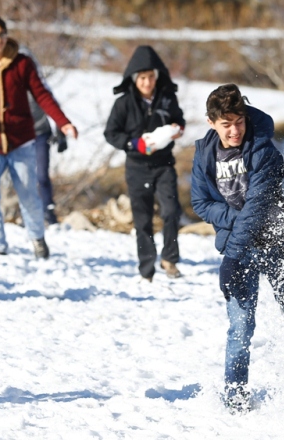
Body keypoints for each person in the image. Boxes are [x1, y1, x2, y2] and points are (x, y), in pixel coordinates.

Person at [191, 84, 284, 414]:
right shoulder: (203, 153)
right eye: (226, 124)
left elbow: (258, 207)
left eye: (239, 122)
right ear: (211, 122)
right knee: (241, 327)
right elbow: (199, 202)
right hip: (240, 248)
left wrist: (230, 254)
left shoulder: (261, 148)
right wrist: (232, 218)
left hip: (275, 241)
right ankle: (235, 395)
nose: (234, 131)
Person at [0, 15, 77, 258]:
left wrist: (63, 122)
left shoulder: (22, 63)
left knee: (29, 193)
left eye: (1, 34)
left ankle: (37, 238)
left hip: (21, 141)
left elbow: (42, 95)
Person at [104, 45, 185, 281]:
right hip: (137, 167)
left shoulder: (167, 98)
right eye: (142, 78)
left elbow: (179, 121)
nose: (147, 83)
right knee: (143, 218)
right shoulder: (123, 103)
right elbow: (111, 133)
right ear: (134, 78)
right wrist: (133, 144)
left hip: (164, 164)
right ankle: (147, 267)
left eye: (150, 77)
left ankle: (170, 259)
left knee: (171, 211)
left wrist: (176, 130)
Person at [19, 45, 68, 226]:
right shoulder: (10, 84)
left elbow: (52, 106)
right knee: (23, 176)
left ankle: (48, 211)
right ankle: (26, 213)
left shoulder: (38, 83)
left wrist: (61, 132)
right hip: (20, 136)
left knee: (41, 175)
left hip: (40, 133)